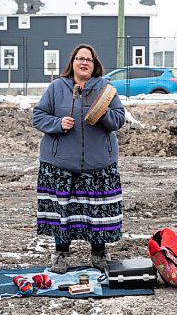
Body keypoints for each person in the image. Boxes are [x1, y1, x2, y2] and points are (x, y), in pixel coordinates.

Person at [32, 44, 126, 274]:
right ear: (72, 63)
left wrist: (102, 112)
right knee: (65, 211)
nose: (84, 62)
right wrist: (58, 123)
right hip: (61, 163)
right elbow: (38, 116)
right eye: (79, 58)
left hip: (99, 164)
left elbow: (119, 119)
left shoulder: (106, 89)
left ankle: (99, 253)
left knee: (97, 212)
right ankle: (61, 253)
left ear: (94, 65)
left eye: (89, 59)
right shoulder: (56, 87)